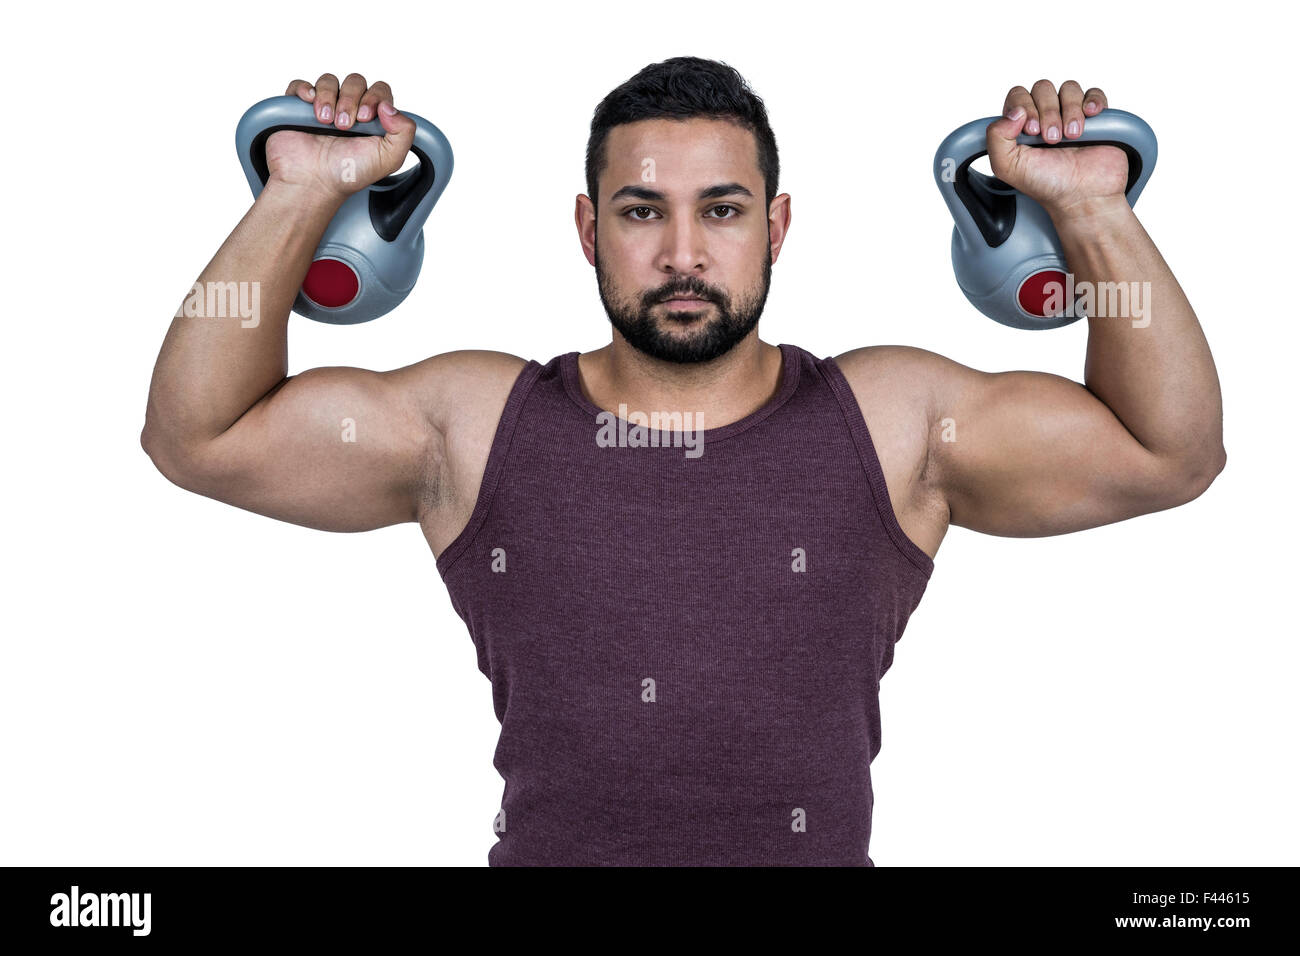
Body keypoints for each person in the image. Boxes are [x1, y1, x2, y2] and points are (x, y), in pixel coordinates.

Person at [141, 57, 1225, 866]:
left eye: (721, 210)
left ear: (776, 225)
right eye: (639, 212)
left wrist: (1088, 205)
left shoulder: (892, 421)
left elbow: (1171, 452)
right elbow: (197, 436)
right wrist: (300, 191)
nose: (681, 255)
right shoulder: (473, 425)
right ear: (586, 228)